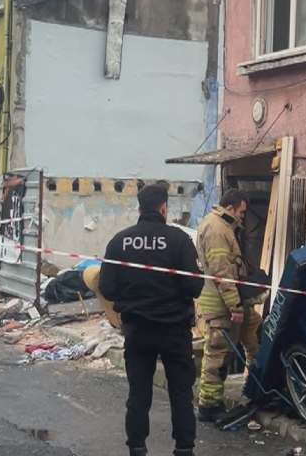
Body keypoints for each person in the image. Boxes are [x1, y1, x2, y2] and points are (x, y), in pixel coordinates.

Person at [98, 183, 203, 456]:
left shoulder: (120, 241)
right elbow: (195, 287)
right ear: (164, 207)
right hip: (174, 330)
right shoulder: (179, 240)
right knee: (181, 392)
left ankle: (137, 447)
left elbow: (107, 288)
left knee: (138, 393)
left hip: (137, 329)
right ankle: (184, 448)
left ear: (140, 207)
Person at [194, 189, 260, 422]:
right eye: (241, 212)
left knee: (255, 334)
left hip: (229, 302)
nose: (243, 217)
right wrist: (235, 307)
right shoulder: (216, 229)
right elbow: (222, 271)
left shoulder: (222, 226)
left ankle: (255, 388)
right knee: (218, 356)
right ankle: (209, 405)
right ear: (230, 207)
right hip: (221, 306)